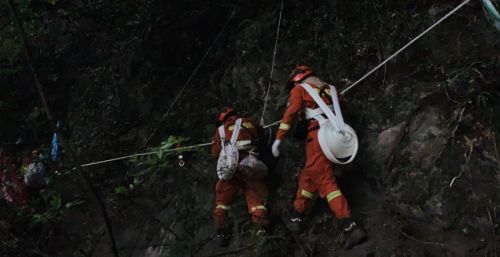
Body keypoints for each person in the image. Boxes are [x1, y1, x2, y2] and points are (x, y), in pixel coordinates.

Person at [271, 65, 365, 248]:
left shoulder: (300, 90)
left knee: (326, 182)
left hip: (317, 139)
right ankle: (298, 215)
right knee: (308, 177)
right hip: (336, 137)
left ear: (296, 80)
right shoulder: (331, 89)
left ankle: (350, 226)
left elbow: (290, 115)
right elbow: (341, 107)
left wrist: (278, 139)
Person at [211, 107, 270, 247]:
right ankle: (261, 230)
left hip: (232, 167)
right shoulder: (249, 122)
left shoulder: (221, 130)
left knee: (222, 202)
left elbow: (214, 153)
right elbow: (261, 133)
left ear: (222, 120)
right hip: (251, 164)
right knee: (256, 200)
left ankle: (221, 232)